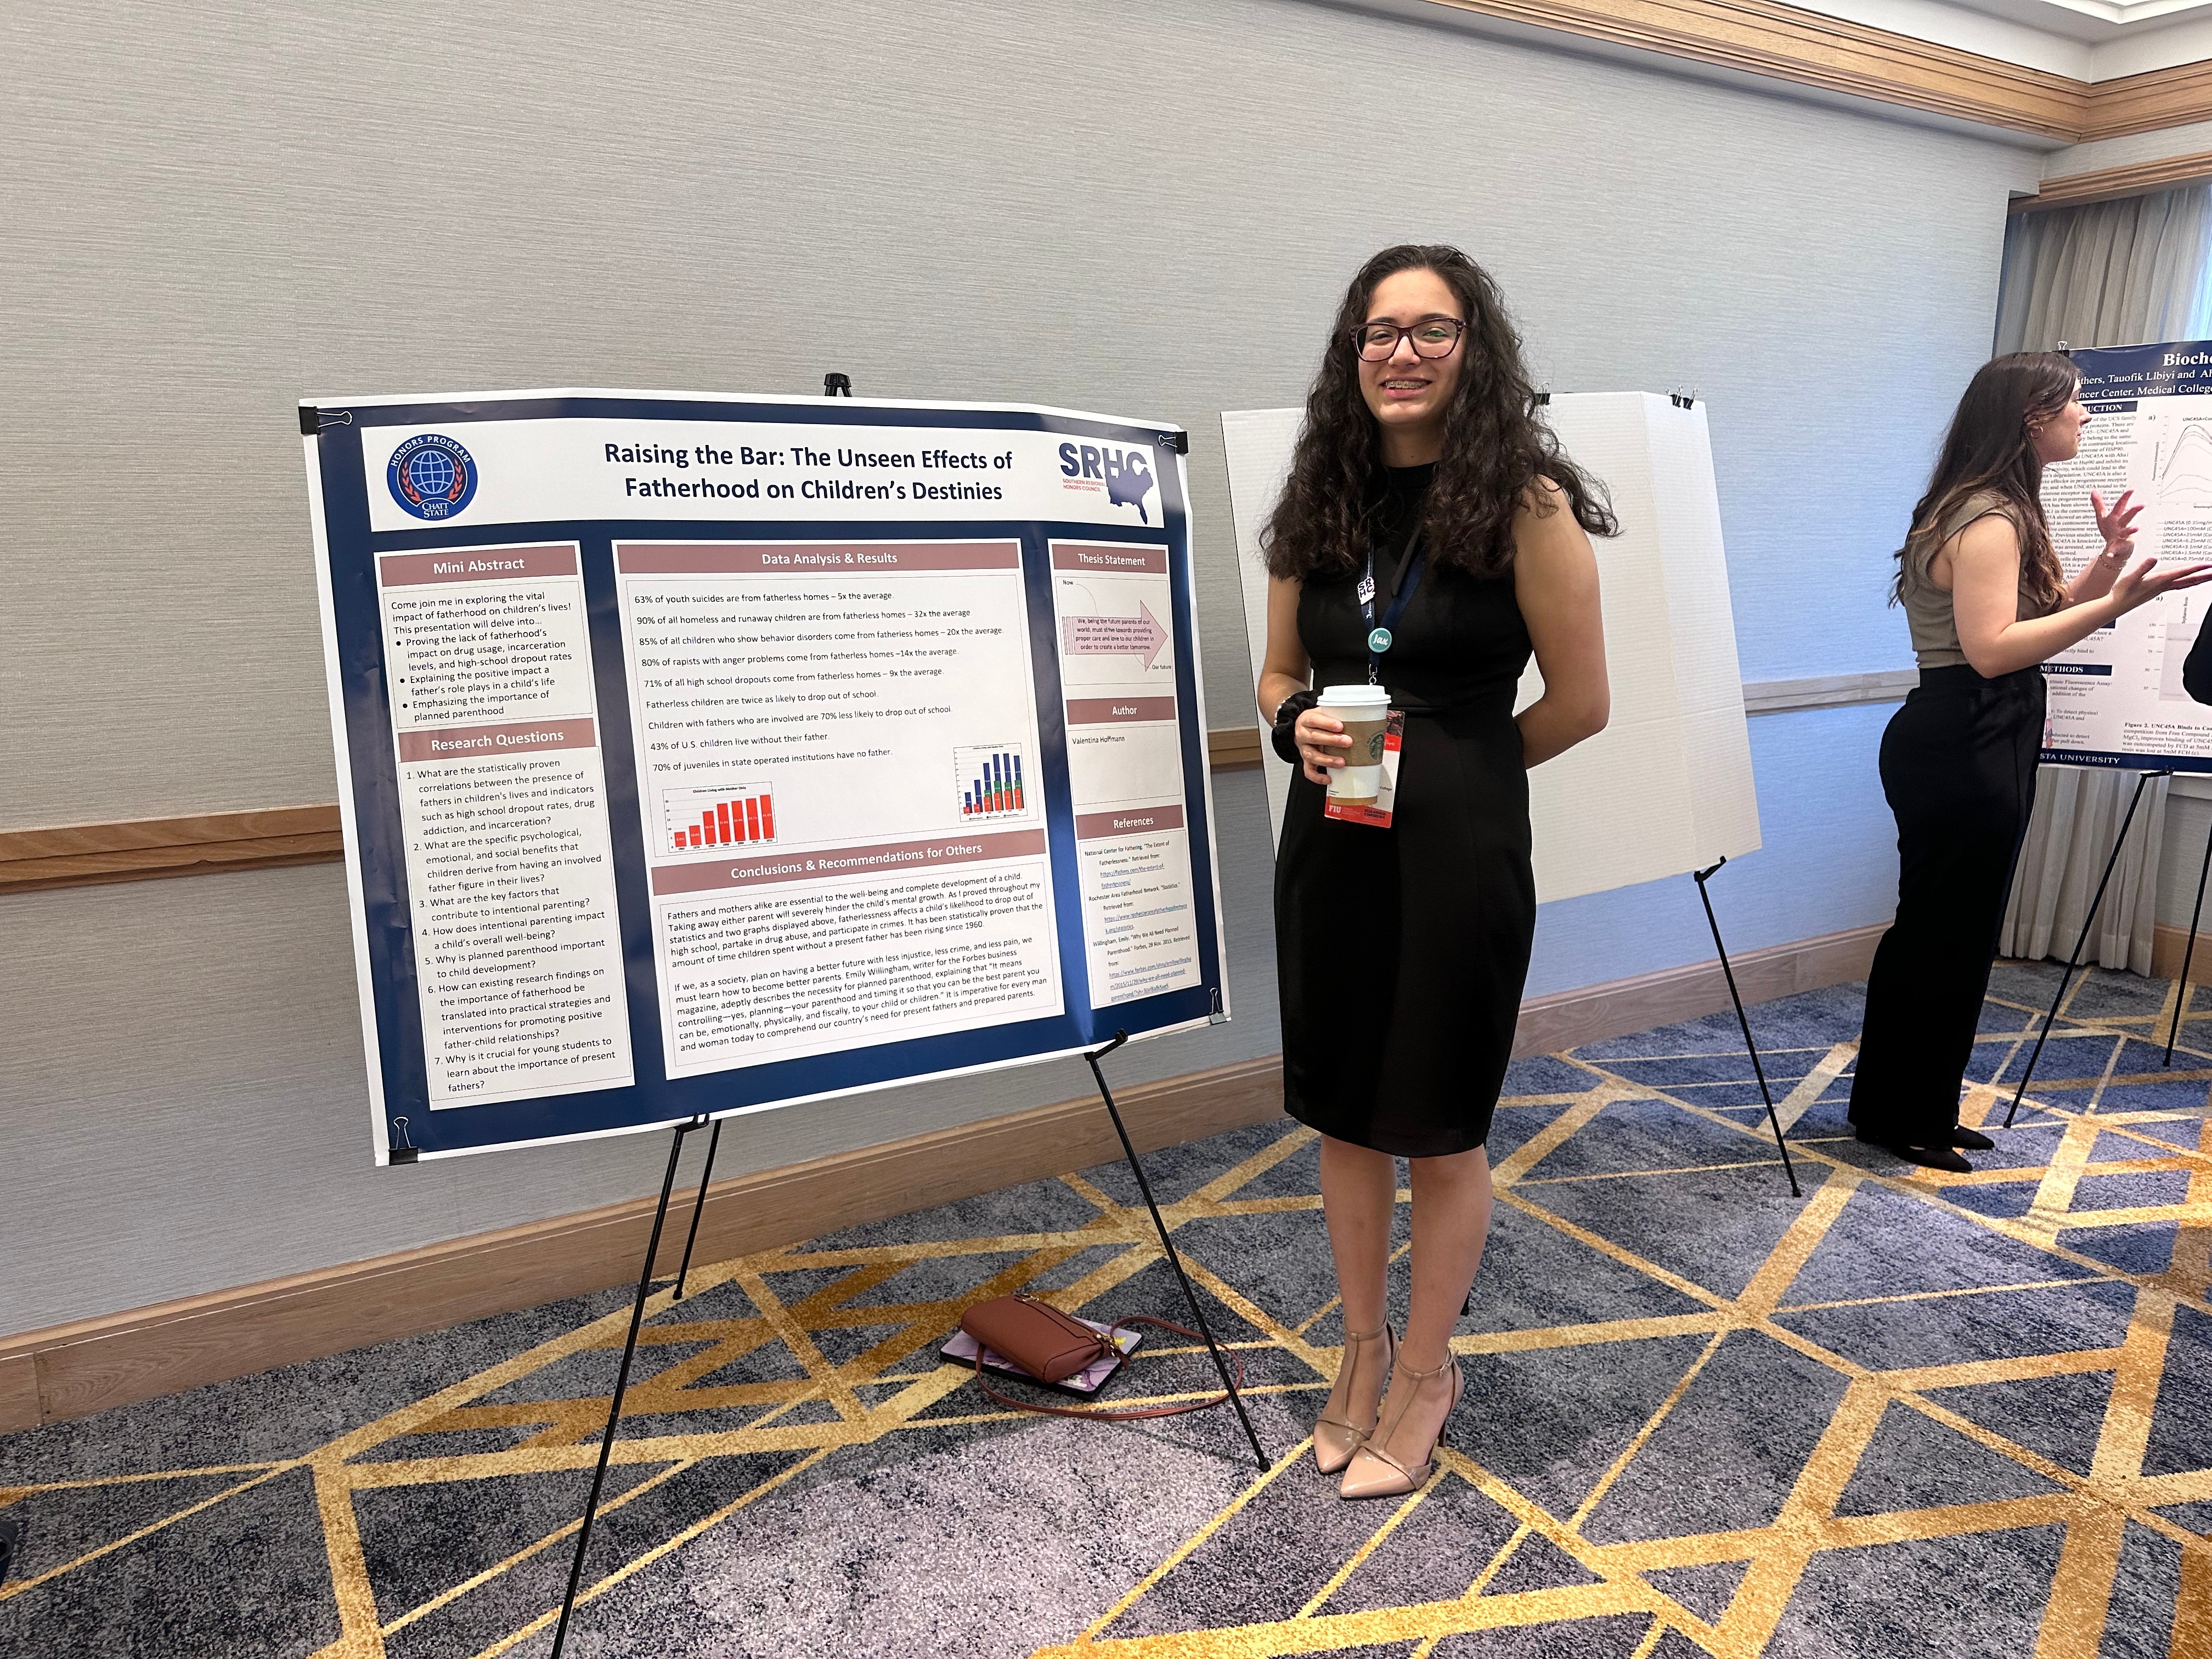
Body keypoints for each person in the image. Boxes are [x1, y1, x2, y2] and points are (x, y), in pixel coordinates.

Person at [1257, 245, 1613, 1499]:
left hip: (1456, 851)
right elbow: (1275, 672)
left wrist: (1463, 766)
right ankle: (1356, 1352)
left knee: (1437, 1128)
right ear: (1350, 353)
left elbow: (1584, 703)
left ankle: (1426, 1369)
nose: (1400, 353)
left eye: (1432, 329)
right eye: (1377, 331)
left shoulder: (1525, 504)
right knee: (1347, 1117)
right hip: (1334, 837)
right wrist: (1292, 717)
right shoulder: (1322, 498)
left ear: (1477, 348)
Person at [1850, 352, 2212, 1172]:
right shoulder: (1990, 518)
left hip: (1975, 734)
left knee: (1955, 932)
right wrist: (2115, 609)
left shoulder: (1991, 507)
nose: (2085, 414)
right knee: (1941, 934)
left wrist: (2108, 571)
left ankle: (1919, 1107)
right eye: (2074, 403)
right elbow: (1990, 651)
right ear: (2029, 417)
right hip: (1965, 736)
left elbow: (2033, 618)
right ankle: (1900, 1114)